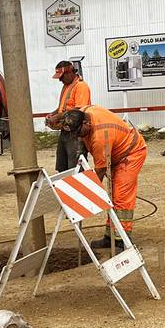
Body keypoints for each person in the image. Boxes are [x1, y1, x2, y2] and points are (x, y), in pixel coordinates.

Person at [59, 105, 146, 247]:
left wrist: (83, 197)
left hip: (131, 154)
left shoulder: (100, 138)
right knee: (113, 196)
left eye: (78, 133)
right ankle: (110, 236)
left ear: (86, 124)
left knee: (121, 197)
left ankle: (121, 240)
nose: (77, 137)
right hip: (115, 152)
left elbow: (99, 171)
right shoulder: (85, 111)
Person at [45, 59, 91, 171]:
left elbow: (78, 111)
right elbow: (63, 108)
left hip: (76, 132)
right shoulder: (67, 86)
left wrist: (57, 117)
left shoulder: (81, 86)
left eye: (61, 77)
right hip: (66, 131)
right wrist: (53, 114)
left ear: (70, 72)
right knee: (62, 167)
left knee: (75, 167)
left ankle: (80, 188)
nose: (60, 80)